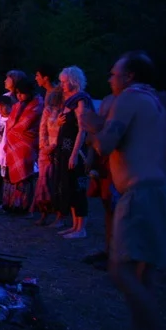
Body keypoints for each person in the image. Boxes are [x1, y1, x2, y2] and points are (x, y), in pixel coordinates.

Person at [78, 52, 166, 330]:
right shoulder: (154, 101)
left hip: (143, 195)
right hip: (163, 192)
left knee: (120, 270)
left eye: (114, 74)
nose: (110, 79)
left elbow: (105, 145)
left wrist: (90, 123)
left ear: (130, 76)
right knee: (143, 275)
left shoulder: (129, 98)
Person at [55, 66, 93, 239]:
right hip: (64, 148)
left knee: (78, 187)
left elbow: (82, 129)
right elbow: (62, 123)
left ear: (72, 81)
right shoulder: (68, 101)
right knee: (68, 185)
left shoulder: (81, 101)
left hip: (75, 151)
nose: (62, 85)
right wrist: (58, 122)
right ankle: (74, 225)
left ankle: (81, 228)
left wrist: (74, 154)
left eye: (64, 82)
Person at [83, 91, 116, 266]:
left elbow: (106, 133)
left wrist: (95, 128)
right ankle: (108, 249)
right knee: (107, 204)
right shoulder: (109, 99)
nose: (110, 79)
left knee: (116, 206)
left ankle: (117, 254)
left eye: (114, 75)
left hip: (115, 162)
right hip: (101, 160)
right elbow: (93, 131)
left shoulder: (127, 102)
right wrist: (91, 156)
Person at [3, 80, 43, 213]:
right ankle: (12, 204)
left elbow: (25, 125)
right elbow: (10, 123)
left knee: (25, 176)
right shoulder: (17, 106)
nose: (19, 96)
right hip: (13, 146)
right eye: (17, 93)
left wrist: (13, 132)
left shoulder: (37, 104)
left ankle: (24, 205)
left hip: (26, 144)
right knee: (12, 176)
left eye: (22, 93)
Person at [33, 65, 65, 226]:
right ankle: (44, 212)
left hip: (54, 145)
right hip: (45, 144)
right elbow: (43, 126)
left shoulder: (56, 97)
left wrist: (51, 145)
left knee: (53, 180)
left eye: (38, 74)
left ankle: (57, 214)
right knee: (44, 180)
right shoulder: (47, 97)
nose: (36, 78)